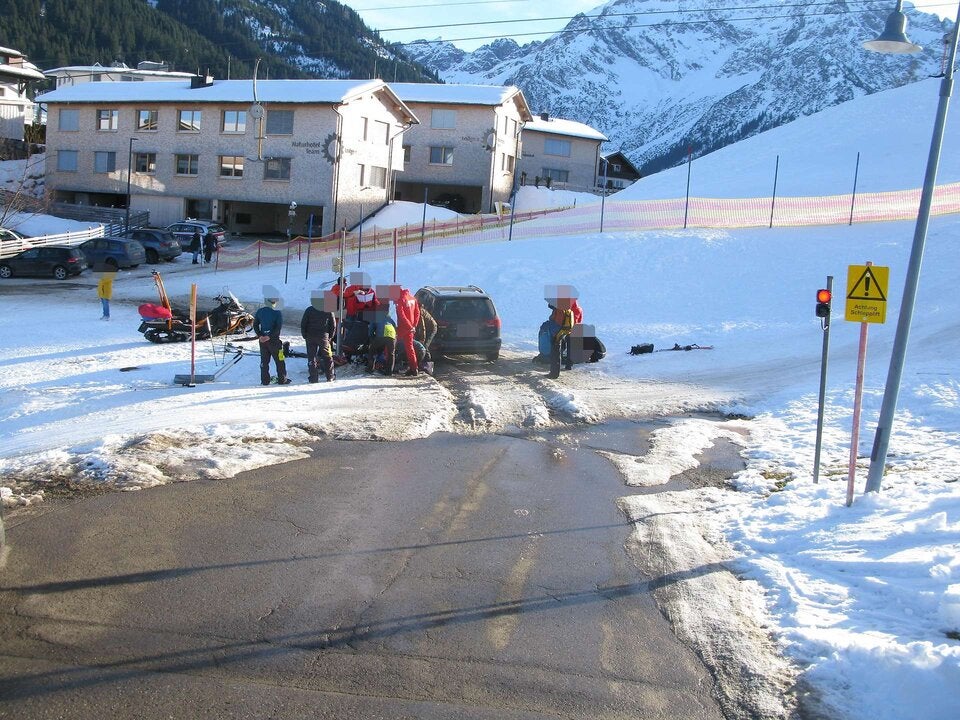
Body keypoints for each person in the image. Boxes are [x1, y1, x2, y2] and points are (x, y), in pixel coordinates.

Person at [301, 291, 337, 383]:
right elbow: (333, 325)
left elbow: (303, 323)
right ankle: (330, 376)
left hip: (310, 336)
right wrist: (330, 337)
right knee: (328, 356)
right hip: (324, 337)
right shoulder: (328, 310)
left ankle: (313, 378)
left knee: (311, 357)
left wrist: (304, 335)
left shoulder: (309, 310)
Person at [254, 295, 290, 385]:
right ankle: (282, 379)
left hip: (262, 341)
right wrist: (270, 336)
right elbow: (278, 327)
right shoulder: (277, 312)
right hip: (274, 341)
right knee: (280, 360)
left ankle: (265, 381)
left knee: (264, 362)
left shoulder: (260, 311)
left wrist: (260, 335)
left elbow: (255, 325)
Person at [395, 287, 421, 376]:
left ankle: (388, 366)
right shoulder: (413, 298)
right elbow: (417, 313)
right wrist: (414, 326)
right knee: (410, 348)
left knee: (390, 343)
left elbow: (401, 314)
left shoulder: (400, 299)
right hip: (411, 328)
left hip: (403, 327)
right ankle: (414, 368)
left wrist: (409, 326)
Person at [366, 301, 396, 376]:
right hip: (392, 335)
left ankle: (370, 368)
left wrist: (371, 339)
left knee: (372, 350)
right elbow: (395, 327)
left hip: (382, 335)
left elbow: (371, 330)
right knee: (391, 354)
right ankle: (389, 372)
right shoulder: (390, 319)